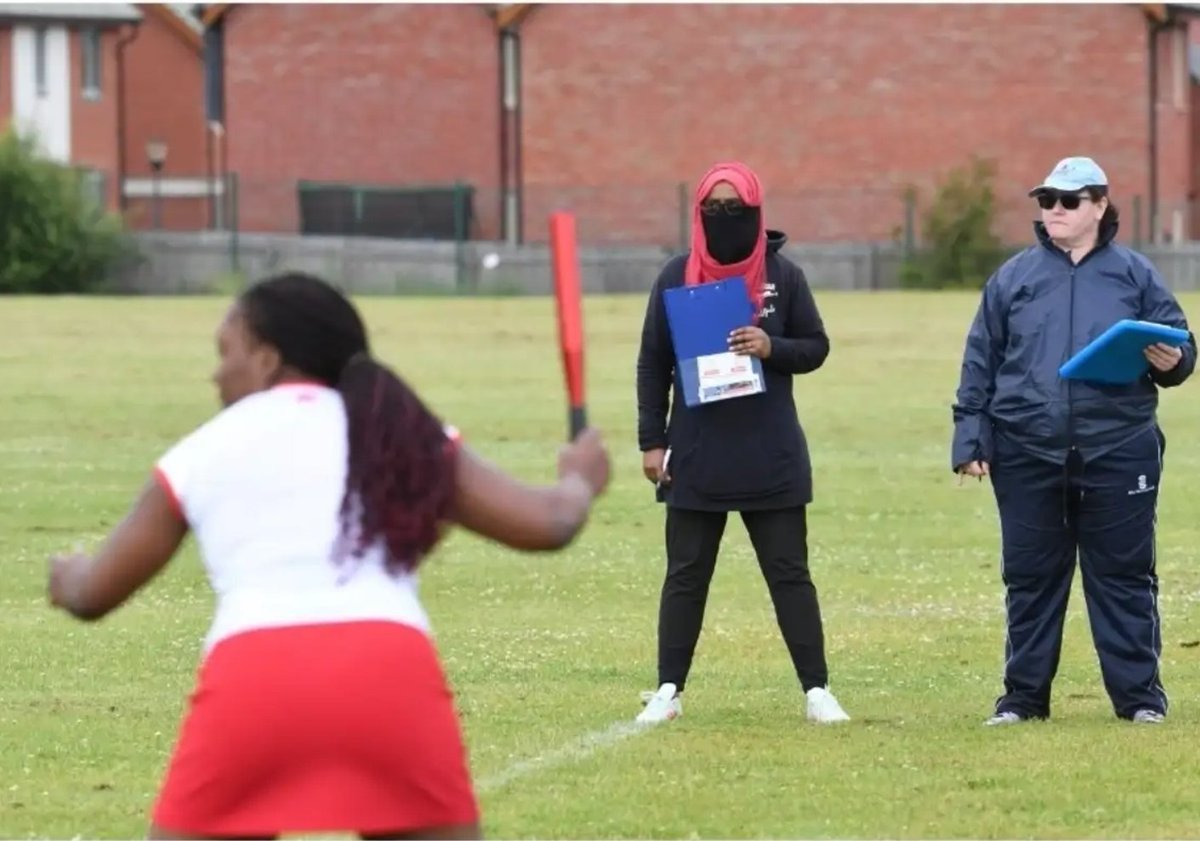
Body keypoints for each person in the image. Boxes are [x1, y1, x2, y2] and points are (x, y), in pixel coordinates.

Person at [46, 272, 611, 840]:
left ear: (267, 360)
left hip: (253, 681)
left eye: (225, 352)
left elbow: (92, 595)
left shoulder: (203, 449)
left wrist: (67, 577)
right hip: (390, 675)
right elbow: (551, 522)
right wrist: (579, 476)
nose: (215, 374)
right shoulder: (400, 432)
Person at [952, 156, 1196, 727]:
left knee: (1125, 576)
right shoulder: (1013, 278)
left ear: (1100, 206)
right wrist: (971, 438)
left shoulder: (1135, 274)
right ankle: (1022, 700)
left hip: (1119, 446)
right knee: (1030, 579)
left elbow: (1180, 348)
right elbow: (980, 360)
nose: (1055, 210)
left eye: (1069, 200)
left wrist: (1175, 359)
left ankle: (1140, 700)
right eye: (1047, 201)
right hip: (1026, 449)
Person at [634, 160, 850, 725]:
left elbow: (816, 346)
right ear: (698, 213)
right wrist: (651, 441)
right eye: (714, 208)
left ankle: (817, 691)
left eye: (736, 208)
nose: (724, 217)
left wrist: (771, 347)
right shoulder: (675, 276)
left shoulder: (785, 276)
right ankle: (667, 690)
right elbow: (653, 363)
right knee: (686, 575)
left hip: (769, 453)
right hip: (697, 451)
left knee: (789, 574)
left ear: (756, 211)